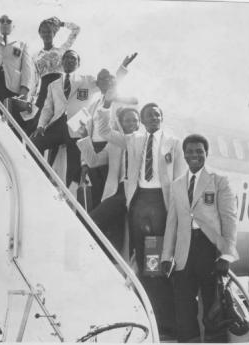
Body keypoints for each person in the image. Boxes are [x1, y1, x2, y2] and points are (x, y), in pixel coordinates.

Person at [98, 100, 186, 338]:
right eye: (149, 116)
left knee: (154, 266)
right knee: (142, 264)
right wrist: (106, 104)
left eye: (157, 115)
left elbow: (179, 180)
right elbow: (104, 131)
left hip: (159, 205)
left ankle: (165, 326)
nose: (153, 119)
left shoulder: (174, 143)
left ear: (162, 117)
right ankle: (147, 320)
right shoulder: (133, 140)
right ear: (143, 120)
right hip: (139, 205)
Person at [161, 134, 239, 343]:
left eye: (199, 151)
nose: (194, 155)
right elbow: (172, 223)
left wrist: (227, 255)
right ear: (184, 155)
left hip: (210, 249)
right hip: (184, 252)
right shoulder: (177, 184)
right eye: (190, 151)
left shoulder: (219, 180)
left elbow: (229, 220)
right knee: (183, 305)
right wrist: (166, 256)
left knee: (213, 304)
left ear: (206, 154)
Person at [30, 50, 133, 188]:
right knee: (34, 143)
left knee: (74, 164)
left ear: (78, 64)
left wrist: (122, 68)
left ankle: (67, 193)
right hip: (57, 125)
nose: (69, 60)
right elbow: (47, 109)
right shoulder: (53, 85)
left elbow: (108, 83)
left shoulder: (87, 80)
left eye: (73, 59)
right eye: (66, 58)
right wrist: (41, 126)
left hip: (78, 125)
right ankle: (38, 176)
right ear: (62, 62)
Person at [77, 107, 140, 251]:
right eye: (127, 121)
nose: (131, 124)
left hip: (135, 193)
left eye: (135, 120)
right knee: (102, 228)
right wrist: (85, 138)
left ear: (139, 123)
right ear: (121, 124)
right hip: (116, 193)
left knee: (95, 223)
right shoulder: (113, 144)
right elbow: (93, 161)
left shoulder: (144, 141)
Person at [80, 65, 137, 209]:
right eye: (102, 79)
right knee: (96, 191)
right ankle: (95, 225)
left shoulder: (119, 100)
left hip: (112, 146)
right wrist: (84, 162)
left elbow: (135, 100)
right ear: (97, 84)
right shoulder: (92, 105)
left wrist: (122, 70)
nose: (106, 81)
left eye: (109, 79)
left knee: (110, 189)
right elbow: (79, 128)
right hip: (94, 148)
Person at [0, 11, 36, 138]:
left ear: (13, 26)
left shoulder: (21, 44)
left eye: (8, 21)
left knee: (12, 122)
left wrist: (24, 90)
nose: (4, 23)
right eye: (1, 20)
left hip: (12, 88)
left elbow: (27, 69)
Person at [27, 17, 81, 136]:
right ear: (40, 34)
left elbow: (77, 29)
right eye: (44, 31)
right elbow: (35, 80)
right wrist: (30, 98)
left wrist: (61, 24)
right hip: (43, 91)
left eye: (49, 31)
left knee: (56, 122)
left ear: (54, 33)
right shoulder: (35, 56)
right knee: (36, 122)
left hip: (59, 88)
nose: (46, 34)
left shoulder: (61, 50)